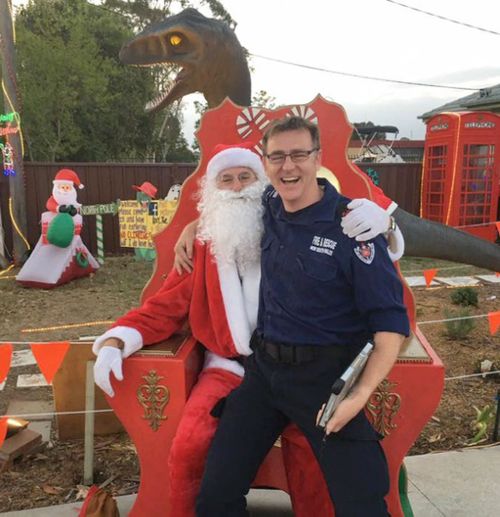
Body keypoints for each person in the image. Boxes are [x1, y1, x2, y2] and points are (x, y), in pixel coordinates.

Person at [92, 143, 337, 517]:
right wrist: (116, 339)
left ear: (262, 182)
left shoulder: (288, 228)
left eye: (245, 177)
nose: (237, 187)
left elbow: (331, 224)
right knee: (191, 443)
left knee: (313, 445)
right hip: (227, 368)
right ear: (213, 190)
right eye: (226, 179)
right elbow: (165, 306)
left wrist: (376, 218)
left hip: (291, 368)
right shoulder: (202, 245)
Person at [195, 117, 410, 517]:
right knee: (214, 498)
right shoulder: (268, 205)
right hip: (264, 374)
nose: (287, 166)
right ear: (266, 161)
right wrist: (190, 232)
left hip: (324, 382)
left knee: (362, 504)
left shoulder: (353, 226)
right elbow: (224, 206)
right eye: (277, 156)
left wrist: (359, 395)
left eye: (298, 154)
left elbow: (391, 326)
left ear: (317, 158)